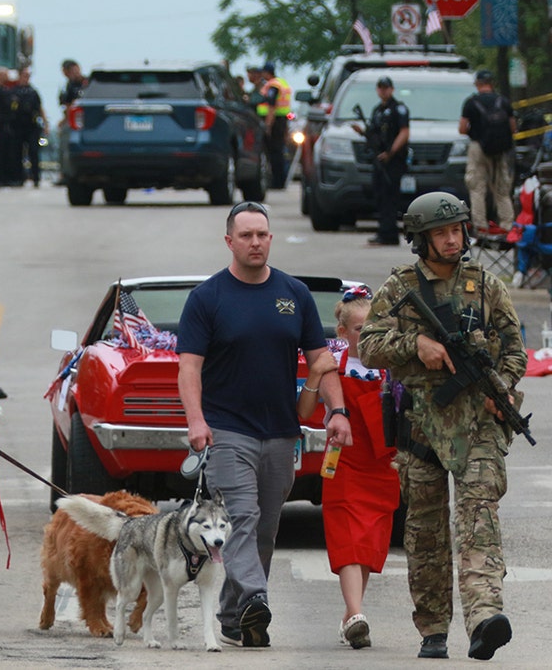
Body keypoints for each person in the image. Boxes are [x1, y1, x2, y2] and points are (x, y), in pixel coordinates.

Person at [177, 201, 352, 648]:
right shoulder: (207, 298)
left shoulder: (293, 294)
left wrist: (337, 411)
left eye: (262, 234)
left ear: (271, 238)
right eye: (247, 235)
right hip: (226, 430)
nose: (256, 242)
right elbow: (189, 368)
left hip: (280, 432)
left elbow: (321, 361)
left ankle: (237, 619)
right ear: (229, 241)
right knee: (241, 517)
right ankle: (257, 596)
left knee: (266, 529)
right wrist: (196, 420)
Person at [358, 191, 525, 661]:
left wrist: (506, 389)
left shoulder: (488, 286)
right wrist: (417, 345)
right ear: (420, 239)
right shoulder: (400, 287)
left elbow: (515, 350)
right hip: (422, 429)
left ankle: (484, 617)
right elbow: (368, 347)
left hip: (479, 428)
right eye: (440, 234)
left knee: (479, 522)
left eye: (456, 231)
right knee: (426, 535)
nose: (452, 240)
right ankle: (433, 629)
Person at [297, 286, 398, 650]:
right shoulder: (332, 365)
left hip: (382, 465)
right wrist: (314, 377)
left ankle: (351, 616)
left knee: (369, 542)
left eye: (375, 328)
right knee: (348, 539)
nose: (368, 336)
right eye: (359, 329)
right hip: (344, 463)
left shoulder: (392, 369)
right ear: (342, 332)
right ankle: (356, 613)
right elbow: (304, 411)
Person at [352, 76, 409, 247]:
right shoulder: (377, 110)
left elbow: (404, 132)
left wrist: (390, 152)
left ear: (391, 89)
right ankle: (384, 231)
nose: (383, 91)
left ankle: (389, 233)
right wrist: (361, 132)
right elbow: (373, 134)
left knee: (390, 197)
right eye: (380, 88)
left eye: (386, 88)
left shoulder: (398, 109)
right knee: (380, 196)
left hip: (393, 160)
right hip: (379, 160)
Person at [459, 70, 517, 235]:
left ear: (477, 84)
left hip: (478, 148)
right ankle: (507, 226)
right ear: (492, 83)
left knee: (477, 187)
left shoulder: (471, 103)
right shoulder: (503, 101)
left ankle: (481, 226)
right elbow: (513, 128)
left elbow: (462, 128)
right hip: (501, 150)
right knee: (502, 190)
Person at [257, 63, 292, 189]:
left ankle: (277, 182)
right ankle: (280, 180)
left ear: (267, 73)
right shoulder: (282, 83)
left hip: (275, 122)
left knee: (274, 152)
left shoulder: (273, 86)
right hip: (281, 121)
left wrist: (267, 125)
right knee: (279, 151)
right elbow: (287, 111)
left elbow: (272, 106)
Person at [12, 68, 48, 187]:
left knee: (34, 152)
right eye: (24, 75)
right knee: (18, 153)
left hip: (32, 126)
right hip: (18, 126)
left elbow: (40, 108)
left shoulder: (33, 92)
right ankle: (19, 178)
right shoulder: (14, 92)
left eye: (28, 76)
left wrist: (45, 124)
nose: (26, 78)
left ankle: (36, 178)